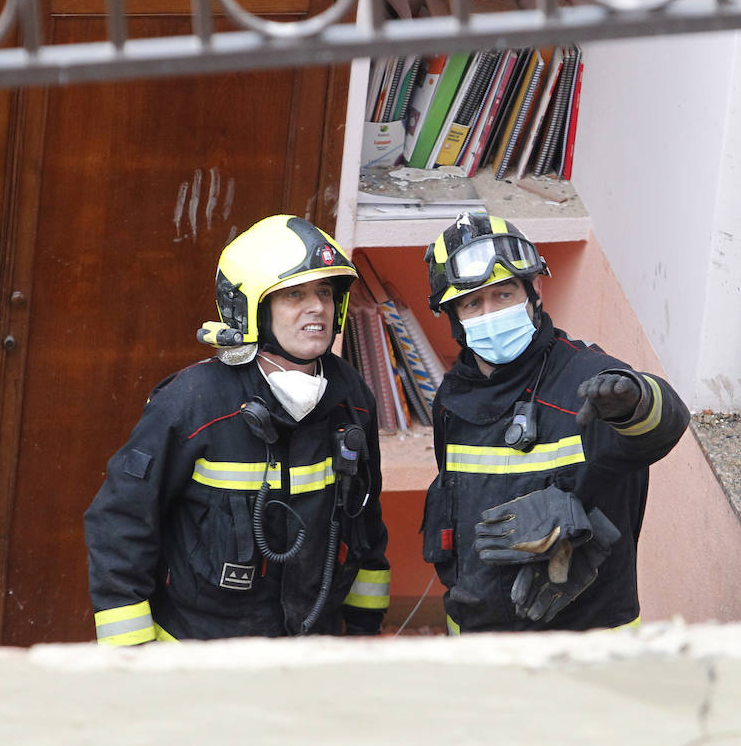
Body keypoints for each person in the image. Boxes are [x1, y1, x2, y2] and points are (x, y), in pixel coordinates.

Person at [85, 214, 390, 644]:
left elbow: (365, 522)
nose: (317, 307)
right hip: (197, 655)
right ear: (252, 307)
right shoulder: (193, 402)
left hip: (310, 652)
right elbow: (120, 522)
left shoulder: (350, 397)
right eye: (294, 294)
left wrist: (363, 631)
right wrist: (132, 652)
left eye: (325, 292)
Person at [420, 213, 689, 633]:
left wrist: (636, 400)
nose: (490, 312)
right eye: (473, 303)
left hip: (588, 648)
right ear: (454, 317)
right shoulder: (452, 400)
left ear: (534, 292)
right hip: (480, 644)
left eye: (505, 294)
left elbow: (662, 426)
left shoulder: (590, 380)